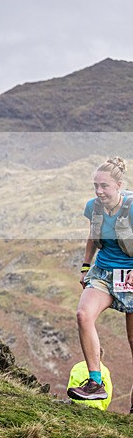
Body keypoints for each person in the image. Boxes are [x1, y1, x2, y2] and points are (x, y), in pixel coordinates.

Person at [68, 157, 133, 401]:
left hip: (130, 276)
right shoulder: (92, 207)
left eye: (104, 186)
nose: (98, 191)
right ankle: (95, 383)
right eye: (95, 185)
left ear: (118, 185)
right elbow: (92, 235)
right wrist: (86, 266)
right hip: (104, 273)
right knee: (83, 315)